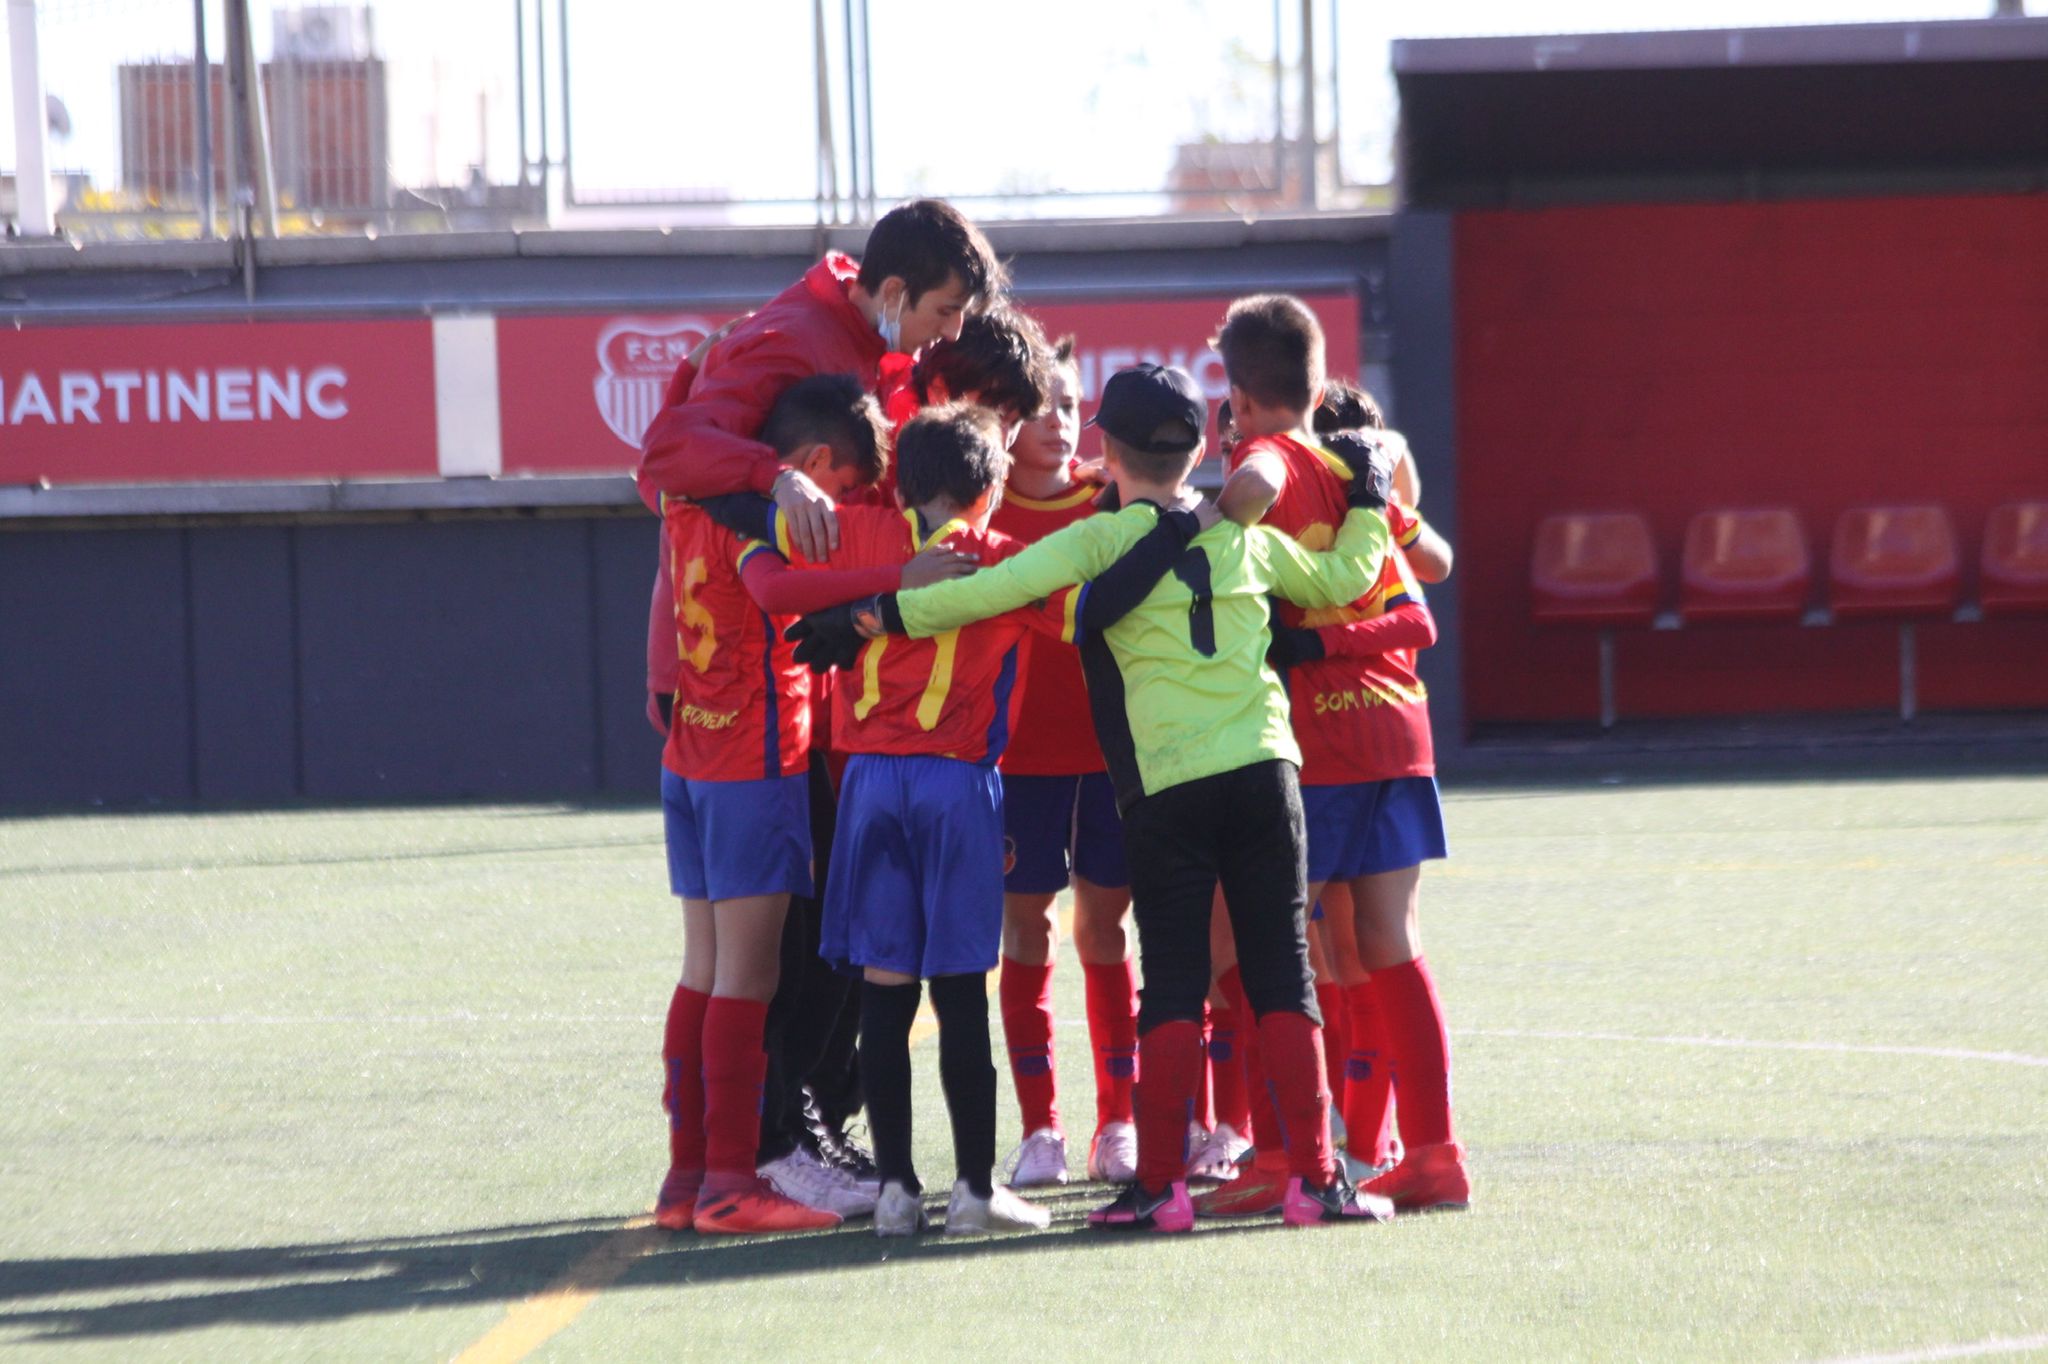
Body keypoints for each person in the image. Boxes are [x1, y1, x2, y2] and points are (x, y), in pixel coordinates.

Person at [792, 364, 1401, 1230]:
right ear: (1200, 449)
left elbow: (980, 592)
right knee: (1282, 972)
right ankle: (1318, 1179)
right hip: (1268, 770)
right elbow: (1348, 579)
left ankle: (1162, 1188)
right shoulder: (1246, 538)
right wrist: (1371, 493)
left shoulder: (1098, 540)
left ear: (1105, 451)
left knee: (1174, 983)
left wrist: (867, 621)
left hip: (1164, 786)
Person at [711, 404, 1075, 1237]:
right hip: (956, 785)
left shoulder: (861, 536)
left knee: (883, 988)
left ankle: (898, 1192)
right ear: (990, 490)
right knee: (958, 990)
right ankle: (976, 1190)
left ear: (904, 482)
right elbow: (1084, 614)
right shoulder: (1005, 559)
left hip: (870, 785)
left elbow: (766, 542)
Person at [1206, 294, 1469, 1214]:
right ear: (1318, 383)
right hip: (1397, 731)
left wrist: (1209, 514)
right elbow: (1427, 570)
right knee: (1389, 940)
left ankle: (1286, 1155)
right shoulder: (1359, 468)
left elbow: (1249, 499)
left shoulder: (1263, 460)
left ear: (1236, 396)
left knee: (1276, 952)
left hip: (1317, 747)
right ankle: (1432, 1152)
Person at [655, 374, 906, 1235]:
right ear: (811, 464)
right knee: (748, 980)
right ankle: (730, 1180)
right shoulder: (755, 516)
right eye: (839, 490)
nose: (836, 509)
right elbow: (776, 593)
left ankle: (687, 1177)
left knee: (702, 972)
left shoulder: (684, 497)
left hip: (690, 756)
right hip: (749, 765)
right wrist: (900, 576)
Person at [636, 198, 1004, 563]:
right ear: (893, 291)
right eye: (946, 310)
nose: (954, 332)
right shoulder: (791, 341)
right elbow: (668, 450)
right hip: (723, 603)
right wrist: (780, 480)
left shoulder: (882, 341)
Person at [986, 336, 1139, 1188]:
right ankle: (1040, 1128)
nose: (1057, 422)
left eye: (1071, 405)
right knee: (1023, 930)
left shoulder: (1111, 500)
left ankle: (1116, 1120)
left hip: (1108, 756)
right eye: (1039, 405)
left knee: (1106, 930)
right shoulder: (976, 508)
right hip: (1013, 763)